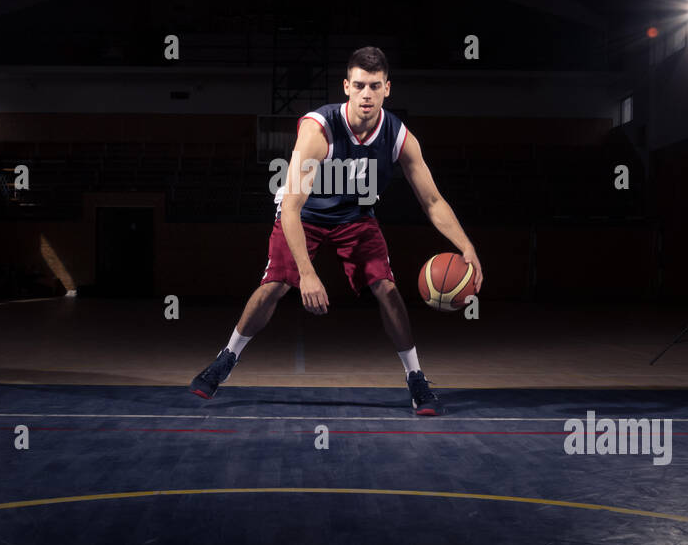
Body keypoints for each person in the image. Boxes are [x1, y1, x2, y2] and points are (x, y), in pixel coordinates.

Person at [188, 46, 483, 415]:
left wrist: (465, 246)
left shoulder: (398, 136)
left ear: (387, 89)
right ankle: (226, 358)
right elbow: (292, 208)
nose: (366, 94)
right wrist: (308, 276)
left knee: (387, 289)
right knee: (275, 284)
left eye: (375, 86)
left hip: (355, 217)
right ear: (346, 86)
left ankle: (416, 379)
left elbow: (434, 202)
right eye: (359, 85)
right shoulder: (318, 130)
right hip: (304, 214)